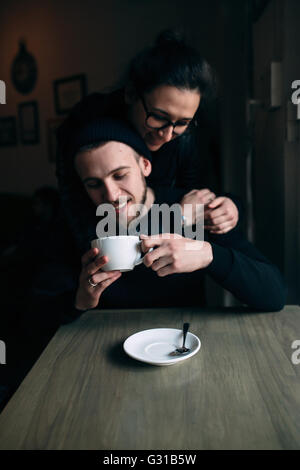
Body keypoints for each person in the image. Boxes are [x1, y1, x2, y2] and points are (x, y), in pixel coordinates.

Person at [56, 117, 284, 313]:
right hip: (106, 341)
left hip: (184, 339)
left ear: (145, 166)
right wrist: (80, 301)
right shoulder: (78, 222)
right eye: (94, 183)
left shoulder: (193, 207)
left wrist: (208, 254)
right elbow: (37, 313)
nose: (111, 195)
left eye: (120, 175)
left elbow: (273, 294)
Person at [56, 29, 240, 257]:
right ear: (132, 94)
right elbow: (80, 224)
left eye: (182, 122)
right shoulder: (86, 124)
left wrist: (228, 207)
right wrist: (177, 219)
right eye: (159, 117)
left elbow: (200, 197)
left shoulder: (186, 139)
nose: (166, 135)